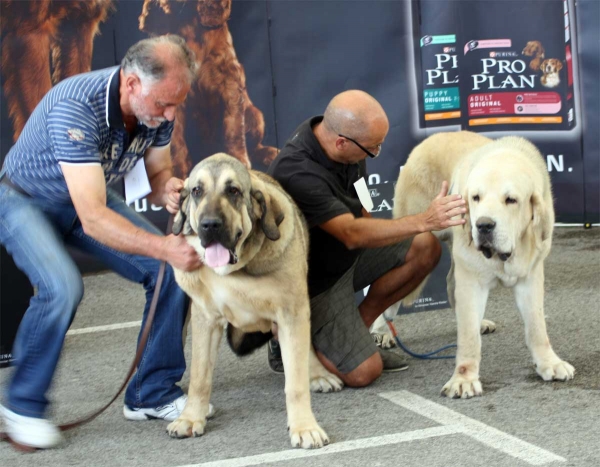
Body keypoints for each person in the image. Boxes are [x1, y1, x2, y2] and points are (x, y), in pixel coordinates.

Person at [0, 35, 204, 449]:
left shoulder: (158, 109)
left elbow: (156, 171)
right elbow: (93, 217)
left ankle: (151, 392)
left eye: (175, 104)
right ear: (131, 85)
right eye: (163, 104)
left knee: (168, 273)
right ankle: (21, 405)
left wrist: (167, 189)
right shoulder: (75, 105)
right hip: (24, 199)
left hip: (82, 197)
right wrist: (164, 246)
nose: (169, 114)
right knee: (63, 288)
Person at [267, 90, 466, 388]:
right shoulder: (297, 171)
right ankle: (289, 340)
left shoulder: (344, 142)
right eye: (373, 149)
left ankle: (357, 331)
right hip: (314, 285)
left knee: (425, 246)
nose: (377, 153)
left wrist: (406, 238)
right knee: (364, 373)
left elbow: (361, 210)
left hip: (346, 259)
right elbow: (351, 233)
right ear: (341, 143)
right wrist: (425, 219)